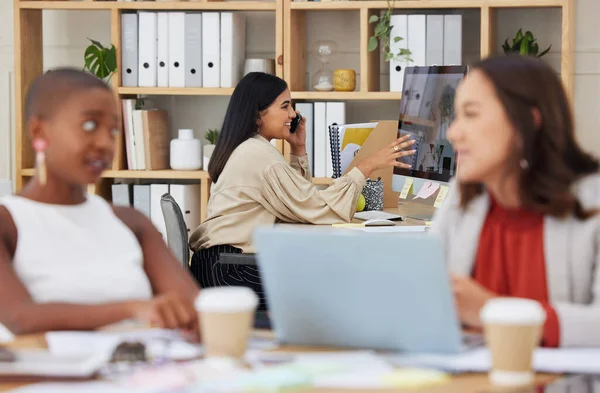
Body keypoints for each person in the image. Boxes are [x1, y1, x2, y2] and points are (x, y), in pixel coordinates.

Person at [0, 68, 200, 337]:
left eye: (114, 130)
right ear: (38, 131)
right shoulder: (8, 222)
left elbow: (193, 309)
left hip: (142, 372)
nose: (106, 143)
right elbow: (19, 318)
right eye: (90, 126)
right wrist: (133, 309)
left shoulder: (131, 222)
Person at [188, 72, 416, 308]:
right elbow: (318, 209)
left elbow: (296, 204)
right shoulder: (257, 153)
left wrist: (298, 149)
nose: (293, 114)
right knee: (333, 288)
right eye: (285, 106)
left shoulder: (250, 148)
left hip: (222, 265)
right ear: (258, 115)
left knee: (330, 281)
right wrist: (367, 165)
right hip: (230, 272)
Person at [431, 54, 600, 348]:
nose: (453, 132)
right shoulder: (461, 198)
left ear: (527, 122)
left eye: (471, 114)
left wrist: (491, 311)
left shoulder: (591, 203)